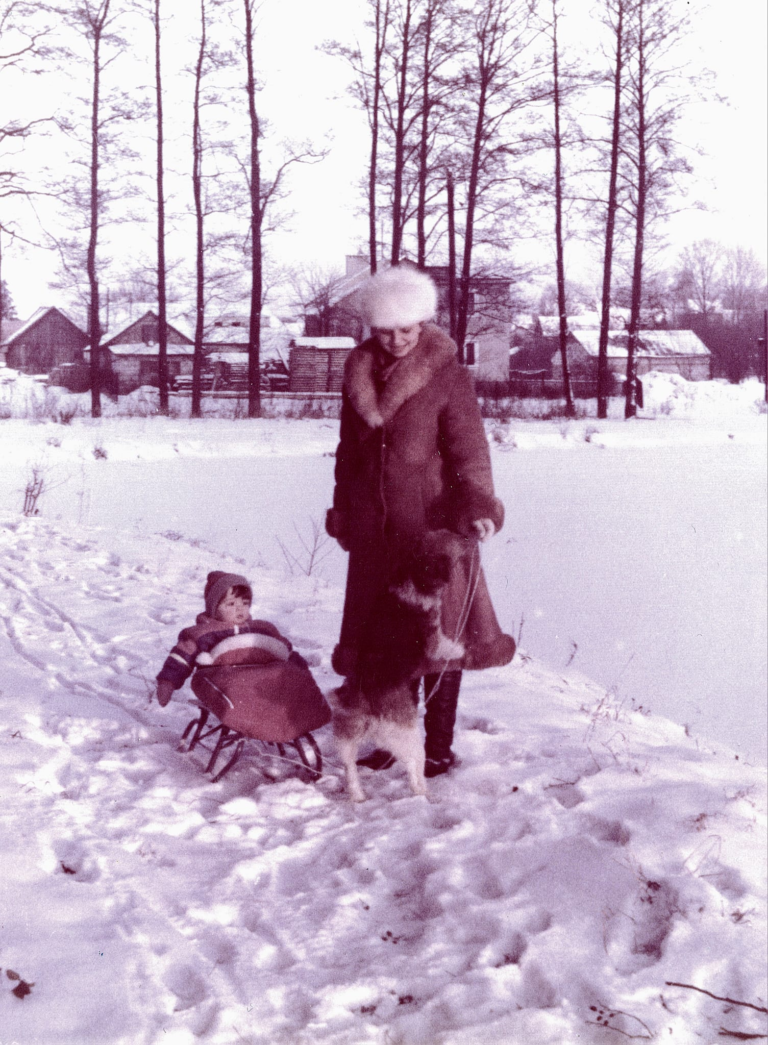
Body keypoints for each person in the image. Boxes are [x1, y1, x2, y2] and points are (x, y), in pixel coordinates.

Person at [325, 266, 515, 777]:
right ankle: (391, 735)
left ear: (423, 322)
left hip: (432, 530)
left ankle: (438, 747)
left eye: (406, 329)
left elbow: (469, 451)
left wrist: (478, 507)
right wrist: (344, 509)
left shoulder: (448, 374)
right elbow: (348, 455)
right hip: (375, 531)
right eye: (385, 330)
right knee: (383, 640)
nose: (397, 340)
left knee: (441, 638)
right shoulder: (357, 372)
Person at [155, 571, 309, 707]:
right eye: (231, 604)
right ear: (214, 608)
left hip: (259, 686)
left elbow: (286, 651)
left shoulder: (262, 629)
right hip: (220, 686)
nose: (240, 608)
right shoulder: (202, 633)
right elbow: (180, 659)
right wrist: (167, 683)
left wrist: (302, 673)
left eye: (245, 603)